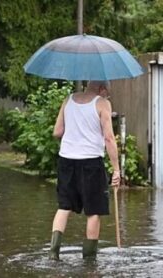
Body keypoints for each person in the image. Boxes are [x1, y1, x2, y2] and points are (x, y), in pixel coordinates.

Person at [49, 80, 120, 260]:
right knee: (93, 211)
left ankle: (53, 253)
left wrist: (76, 131)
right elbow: (109, 138)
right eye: (107, 93)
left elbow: (57, 131)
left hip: (66, 160)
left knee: (64, 207)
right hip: (91, 163)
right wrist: (116, 169)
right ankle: (89, 260)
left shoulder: (68, 100)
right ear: (102, 89)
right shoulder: (103, 103)